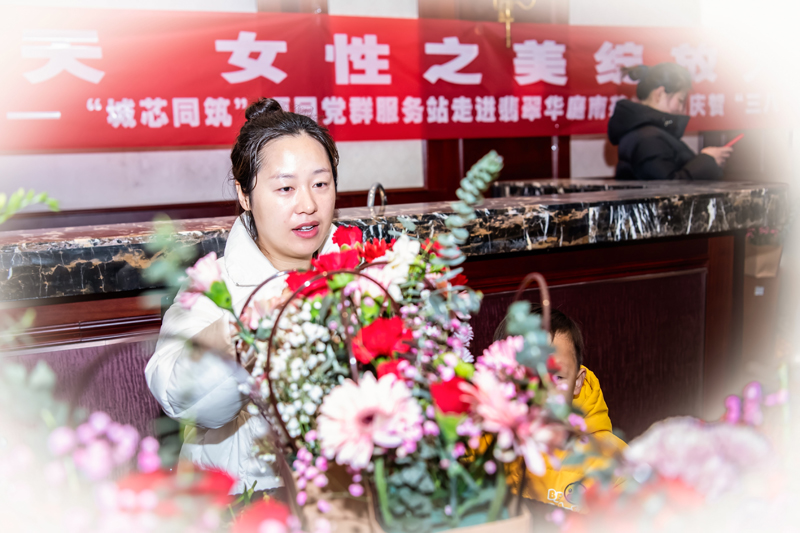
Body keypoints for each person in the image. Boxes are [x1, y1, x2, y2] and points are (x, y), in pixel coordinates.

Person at [145, 98, 340, 495]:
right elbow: (179, 399)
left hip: (349, 490)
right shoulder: (212, 287)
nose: (308, 205)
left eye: (320, 184)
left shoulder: (364, 274)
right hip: (246, 496)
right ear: (245, 195)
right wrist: (238, 334)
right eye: (285, 188)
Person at [497, 306, 627, 512]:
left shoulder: (611, 462)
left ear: (577, 382)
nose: (543, 391)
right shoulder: (486, 444)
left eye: (557, 377)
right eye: (527, 376)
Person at [608, 63, 733, 181]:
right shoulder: (648, 138)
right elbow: (667, 187)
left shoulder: (646, 132)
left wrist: (709, 162)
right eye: (681, 100)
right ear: (659, 94)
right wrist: (707, 161)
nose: (682, 110)